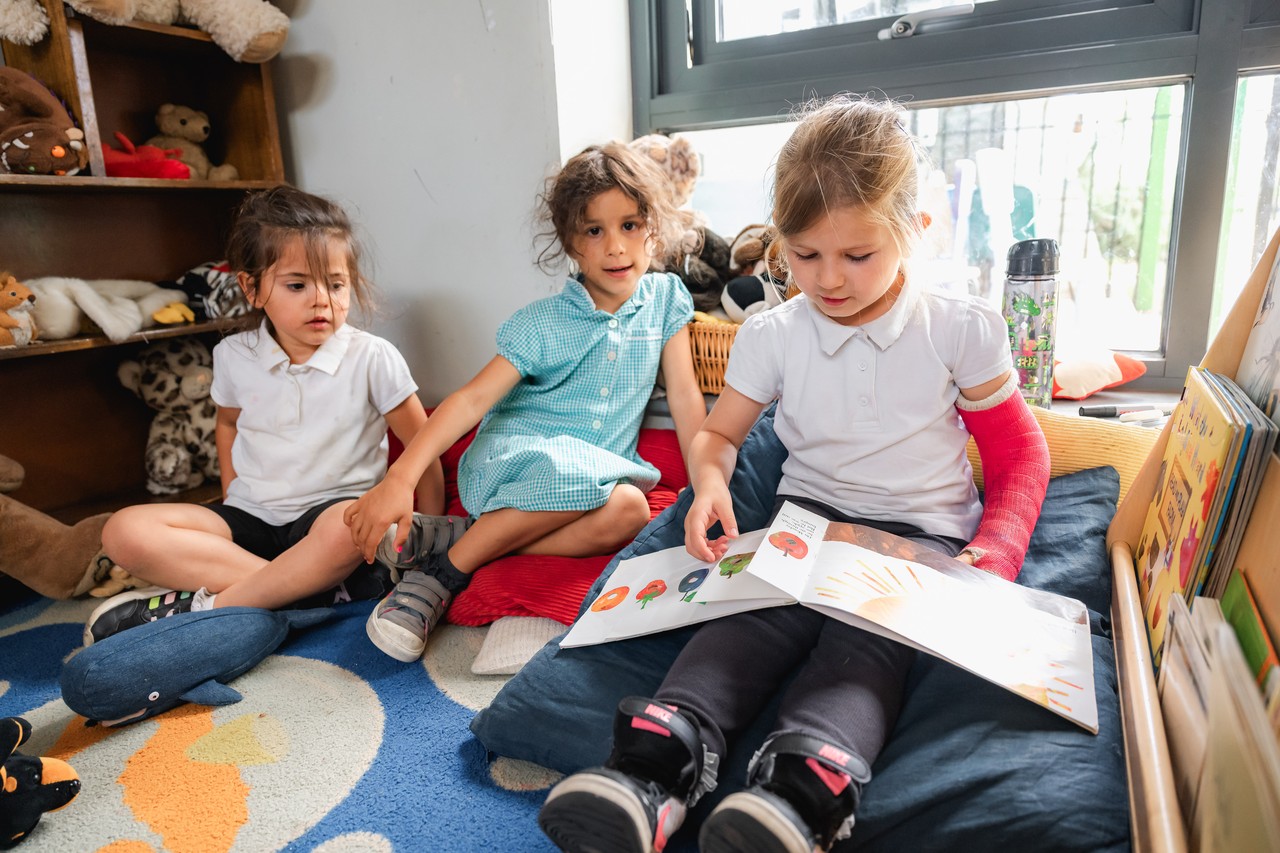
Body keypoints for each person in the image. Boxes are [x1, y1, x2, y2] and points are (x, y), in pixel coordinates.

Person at [537, 95, 1052, 853]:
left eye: (857, 255)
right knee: (741, 629)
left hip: (915, 540)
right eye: (806, 255)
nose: (829, 279)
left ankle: (798, 800)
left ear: (916, 231)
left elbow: (1020, 455)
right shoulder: (772, 334)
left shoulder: (960, 327)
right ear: (780, 241)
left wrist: (996, 551)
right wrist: (709, 483)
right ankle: (649, 777)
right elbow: (717, 435)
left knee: (864, 652)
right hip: (801, 525)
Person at [344, 142, 708, 663]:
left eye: (630, 225)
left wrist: (705, 482)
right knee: (574, 472)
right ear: (570, 242)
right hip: (518, 461)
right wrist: (400, 477)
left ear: (654, 226)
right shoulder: (541, 323)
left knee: (631, 507)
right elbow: (470, 400)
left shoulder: (668, 301)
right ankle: (444, 576)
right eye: (594, 230)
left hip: (596, 476)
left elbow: (685, 395)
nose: (616, 247)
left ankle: (461, 539)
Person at [85, 185, 444, 645]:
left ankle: (210, 607)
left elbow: (423, 448)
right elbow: (229, 423)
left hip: (332, 522)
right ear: (251, 288)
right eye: (297, 285)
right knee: (124, 531)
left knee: (343, 530)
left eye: (335, 284)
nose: (322, 300)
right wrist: (233, 492)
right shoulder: (234, 354)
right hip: (251, 518)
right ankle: (302, 595)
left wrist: (421, 548)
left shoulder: (373, 356)